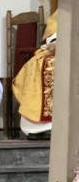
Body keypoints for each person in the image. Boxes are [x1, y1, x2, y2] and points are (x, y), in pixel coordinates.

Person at [12, 9, 57, 139]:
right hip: (62, 50)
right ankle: (39, 127)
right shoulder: (68, 8)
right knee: (39, 64)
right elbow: (54, 31)